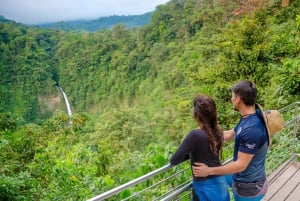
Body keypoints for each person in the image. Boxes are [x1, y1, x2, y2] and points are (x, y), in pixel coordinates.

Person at [192, 80, 269, 201]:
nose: (231, 99)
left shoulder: (251, 130)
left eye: (232, 96)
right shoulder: (248, 117)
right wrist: (204, 134)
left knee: (213, 176)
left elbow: (240, 165)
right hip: (244, 177)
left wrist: (209, 170)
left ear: (238, 99)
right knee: (215, 181)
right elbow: (231, 134)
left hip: (249, 188)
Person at [170, 94, 230, 201]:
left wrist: (191, 151)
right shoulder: (218, 131)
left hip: (203, 189)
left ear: (196, 115)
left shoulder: (195, 135)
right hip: (220, 185)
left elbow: (174, 159)